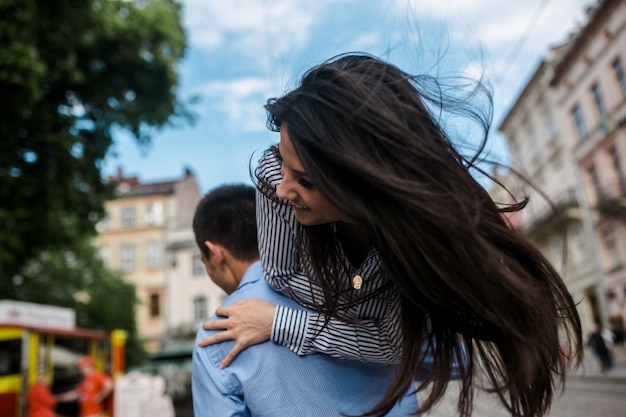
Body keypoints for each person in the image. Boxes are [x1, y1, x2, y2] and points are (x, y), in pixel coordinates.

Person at [200, 53, 583, 417]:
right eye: (284, 162)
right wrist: (357, 319)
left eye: (305, 180)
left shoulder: (417, 243)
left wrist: (283, 323)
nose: (283, 188)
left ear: (364, 184)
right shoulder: (274, 177)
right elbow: (282, 277)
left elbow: (402, 345)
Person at [191, 184, 419, 416]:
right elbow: (411, 379)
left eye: (203, 261)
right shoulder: (353, 286)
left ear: (215, 254)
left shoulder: (215, 335)